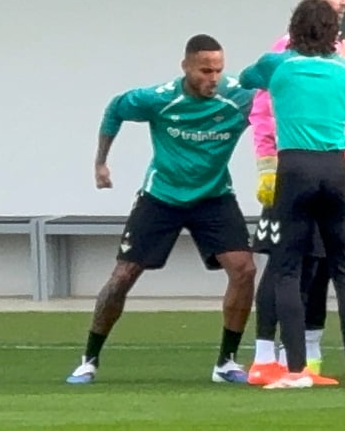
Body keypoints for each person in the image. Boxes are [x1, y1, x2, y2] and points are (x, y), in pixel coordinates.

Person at [67, 35, 257, 385]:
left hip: (214, 197)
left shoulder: (239, 97)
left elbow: (278, 111)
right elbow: (116, 108)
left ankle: (226, 362)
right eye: (205, 70)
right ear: (185, 67)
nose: (213, 78)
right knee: (123, 277)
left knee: (244, 270)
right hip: (162, 197)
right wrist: (100, 163)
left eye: (218, 70)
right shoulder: (160, 99)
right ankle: (89, 359)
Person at [239, 0, 345, 390]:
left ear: (294, 30)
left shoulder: (278, 63)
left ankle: (296, 369)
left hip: (294, 167)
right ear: (335, 34)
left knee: (286, 267)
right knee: (344, 270)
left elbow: (249, 77)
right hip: (335, 168)